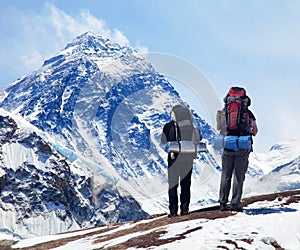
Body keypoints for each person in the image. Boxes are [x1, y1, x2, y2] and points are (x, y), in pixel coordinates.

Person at [218, 87, 258, 212]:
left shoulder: (224, 112)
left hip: (228, 144)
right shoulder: (248, 113)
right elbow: (255, 131)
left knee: (226, 175)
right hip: (243, 145)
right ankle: (235, 203)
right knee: (238, 176)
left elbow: (219, 128)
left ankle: (223, 203)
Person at [161, 105, 201, 217]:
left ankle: (173, 211)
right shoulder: (190, 126)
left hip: (174, 158)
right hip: (188, 158)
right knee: (186, 184)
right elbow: (198, 139)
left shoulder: (168, 126)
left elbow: (163, 141)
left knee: (173, 185)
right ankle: (184, 209)